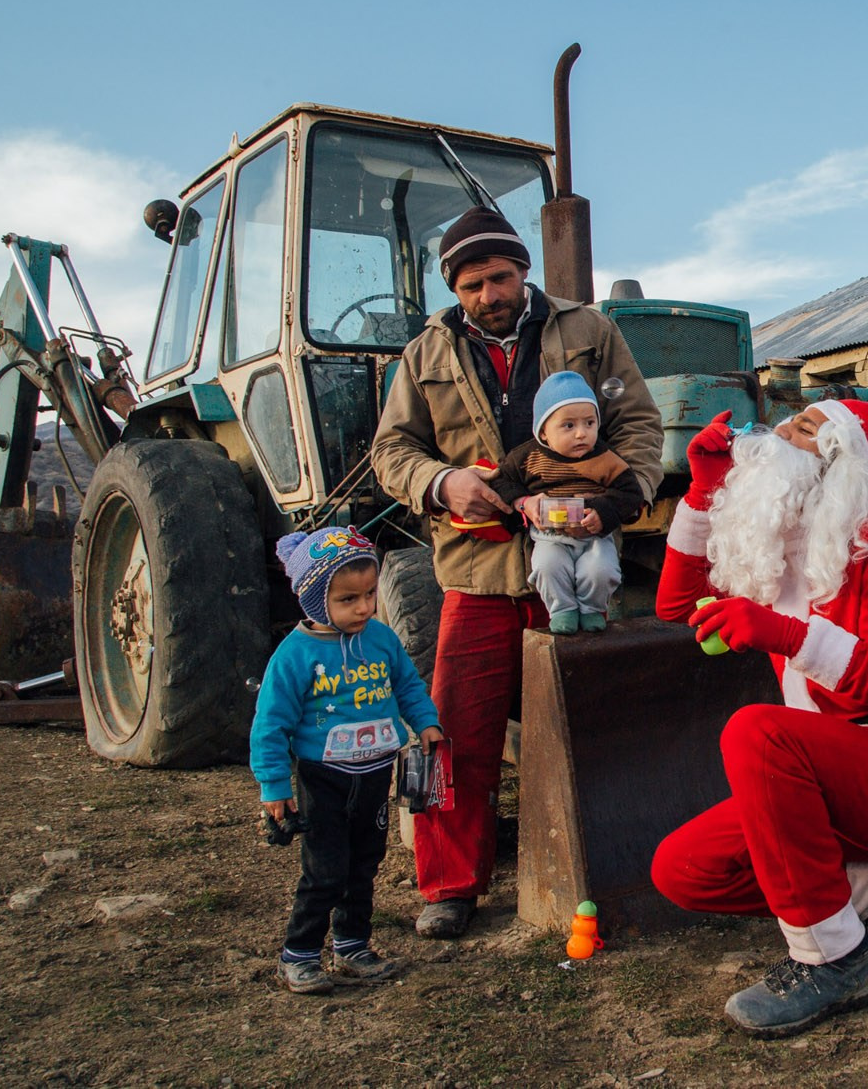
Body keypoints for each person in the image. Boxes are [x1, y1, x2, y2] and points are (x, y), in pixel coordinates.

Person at [371, 207, 663, 939]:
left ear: (524, 270)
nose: (488, 295)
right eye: (471, 285)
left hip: (577, 559)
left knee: (594, 725)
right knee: (455, 733)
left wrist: (618, 503)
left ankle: (611, 870)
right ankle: (450, 886)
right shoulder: (423, 353)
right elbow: (392, 451)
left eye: (499, 278)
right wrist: (442, 483)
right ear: (453, 288)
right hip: (478, 572)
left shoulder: (589, 330)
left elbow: (638, 424)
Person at [648, 400, 868, 1039]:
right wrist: (704, 489)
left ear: (843, 464)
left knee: (756, 731)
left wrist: (781, 633)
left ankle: (833, 961)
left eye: (804, 429)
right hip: (823, 776)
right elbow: (676, 605)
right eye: (787, 421)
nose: (777, 433)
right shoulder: (774, 547)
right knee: (683, 869)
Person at [250, 526, 443, 995]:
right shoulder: (294, 656)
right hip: (323, 778)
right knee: (325, 870)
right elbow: (270, 725)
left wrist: (426, 722)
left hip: (375, 774)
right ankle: (299, 954)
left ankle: (352, 945)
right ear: (315, 601)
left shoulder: (381, 639)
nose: (364, 608)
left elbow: (407, 685)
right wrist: (274, 786)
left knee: (365, 863)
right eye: (348, 599)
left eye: (370, 594)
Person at [484, 370, 647, 634]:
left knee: (601, 571)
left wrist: (603, 513)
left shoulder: (605, 458)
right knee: (547, 567)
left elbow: (631, 493)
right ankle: (562, 610)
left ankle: (592, 609)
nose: (581, 434)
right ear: (543, 431)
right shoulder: (527, 457)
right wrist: (524, 502)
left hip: (594, 536)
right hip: (549, 535)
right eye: (569, 426)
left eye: (589, 423)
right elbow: (501, 481)